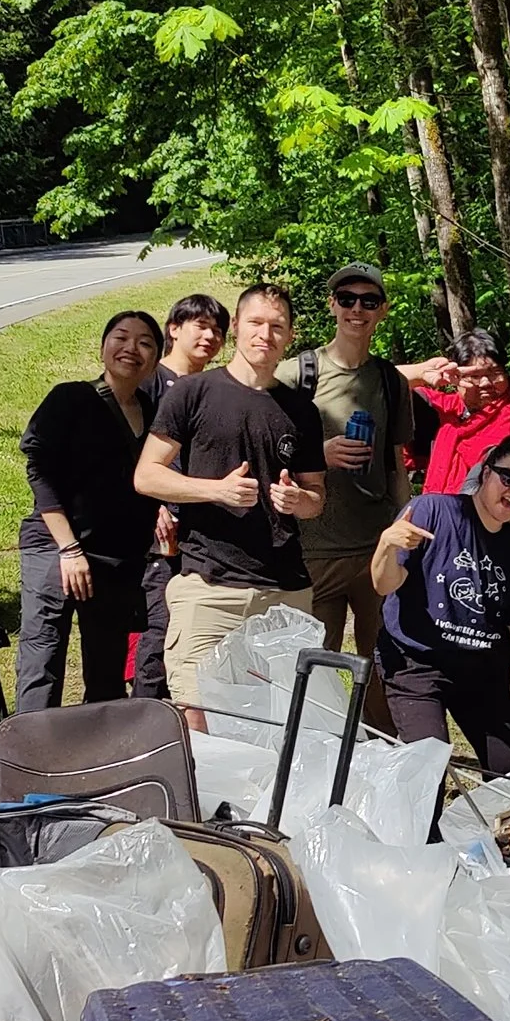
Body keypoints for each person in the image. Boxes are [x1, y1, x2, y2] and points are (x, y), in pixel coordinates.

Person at [132, 282, 327, 718]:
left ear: (290, 336)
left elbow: (317, 498)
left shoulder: (301, 410)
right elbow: (146, 476)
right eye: (256, 323)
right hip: (209, 587)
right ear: (236, 327)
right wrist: (214, 490)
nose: (266, 334)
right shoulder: (192, 392)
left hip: (285, 591)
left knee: (282, 723)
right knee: (196, 714)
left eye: (277, 326)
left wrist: (299, 500)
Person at [370, 437, 510, 774]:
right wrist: (386, 546)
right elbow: (384, 584)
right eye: (509, 478)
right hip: (417, 662)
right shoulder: (432, 511)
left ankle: (494, 828)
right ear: (486, 474)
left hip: (480, 669)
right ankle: (423, 829)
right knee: (428, 769)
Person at [289, 263, 458, 667]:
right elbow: (265, 451)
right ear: (332, 305)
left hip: (374, 548)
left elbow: (397, 466)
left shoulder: (390, 381)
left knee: (386, 663)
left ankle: (380, 732)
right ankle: (323, 734)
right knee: (313, 669)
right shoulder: (296, 374)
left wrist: (403, 531)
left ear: (383, 310)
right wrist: (320, 454)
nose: (357, 309)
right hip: (313, 551)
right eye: (347, 299)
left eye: (369, 301)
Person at [14, 311, 162, 711]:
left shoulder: (153, 413)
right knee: (43, 656)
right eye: (121, 337)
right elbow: (38, 469)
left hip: (118, 559)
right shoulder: (71, 397)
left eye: (145, 342)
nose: (131, 348)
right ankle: (30, 754)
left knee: (107, 668)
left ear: (155, 359)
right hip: (55, 547)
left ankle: (95, 757)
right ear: (102, 347)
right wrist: (68, 549)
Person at [131, 290, 230, 701]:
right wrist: (152, 505)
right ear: (174, 329)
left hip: (201, 532)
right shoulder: (151, 383)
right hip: (158, 533)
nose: (210, 336)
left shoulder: (213, 387)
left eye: (218, 330)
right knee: (159, 627)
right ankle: (145, 714)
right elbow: (133, 452)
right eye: (201, 326)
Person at [414, 328, 510, 495]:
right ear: (455, 379)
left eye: (495, 373)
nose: (485, 382)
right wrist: (421, 374)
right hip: (439, 512)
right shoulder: (444, 409)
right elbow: (379, 388)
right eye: (474, 376)